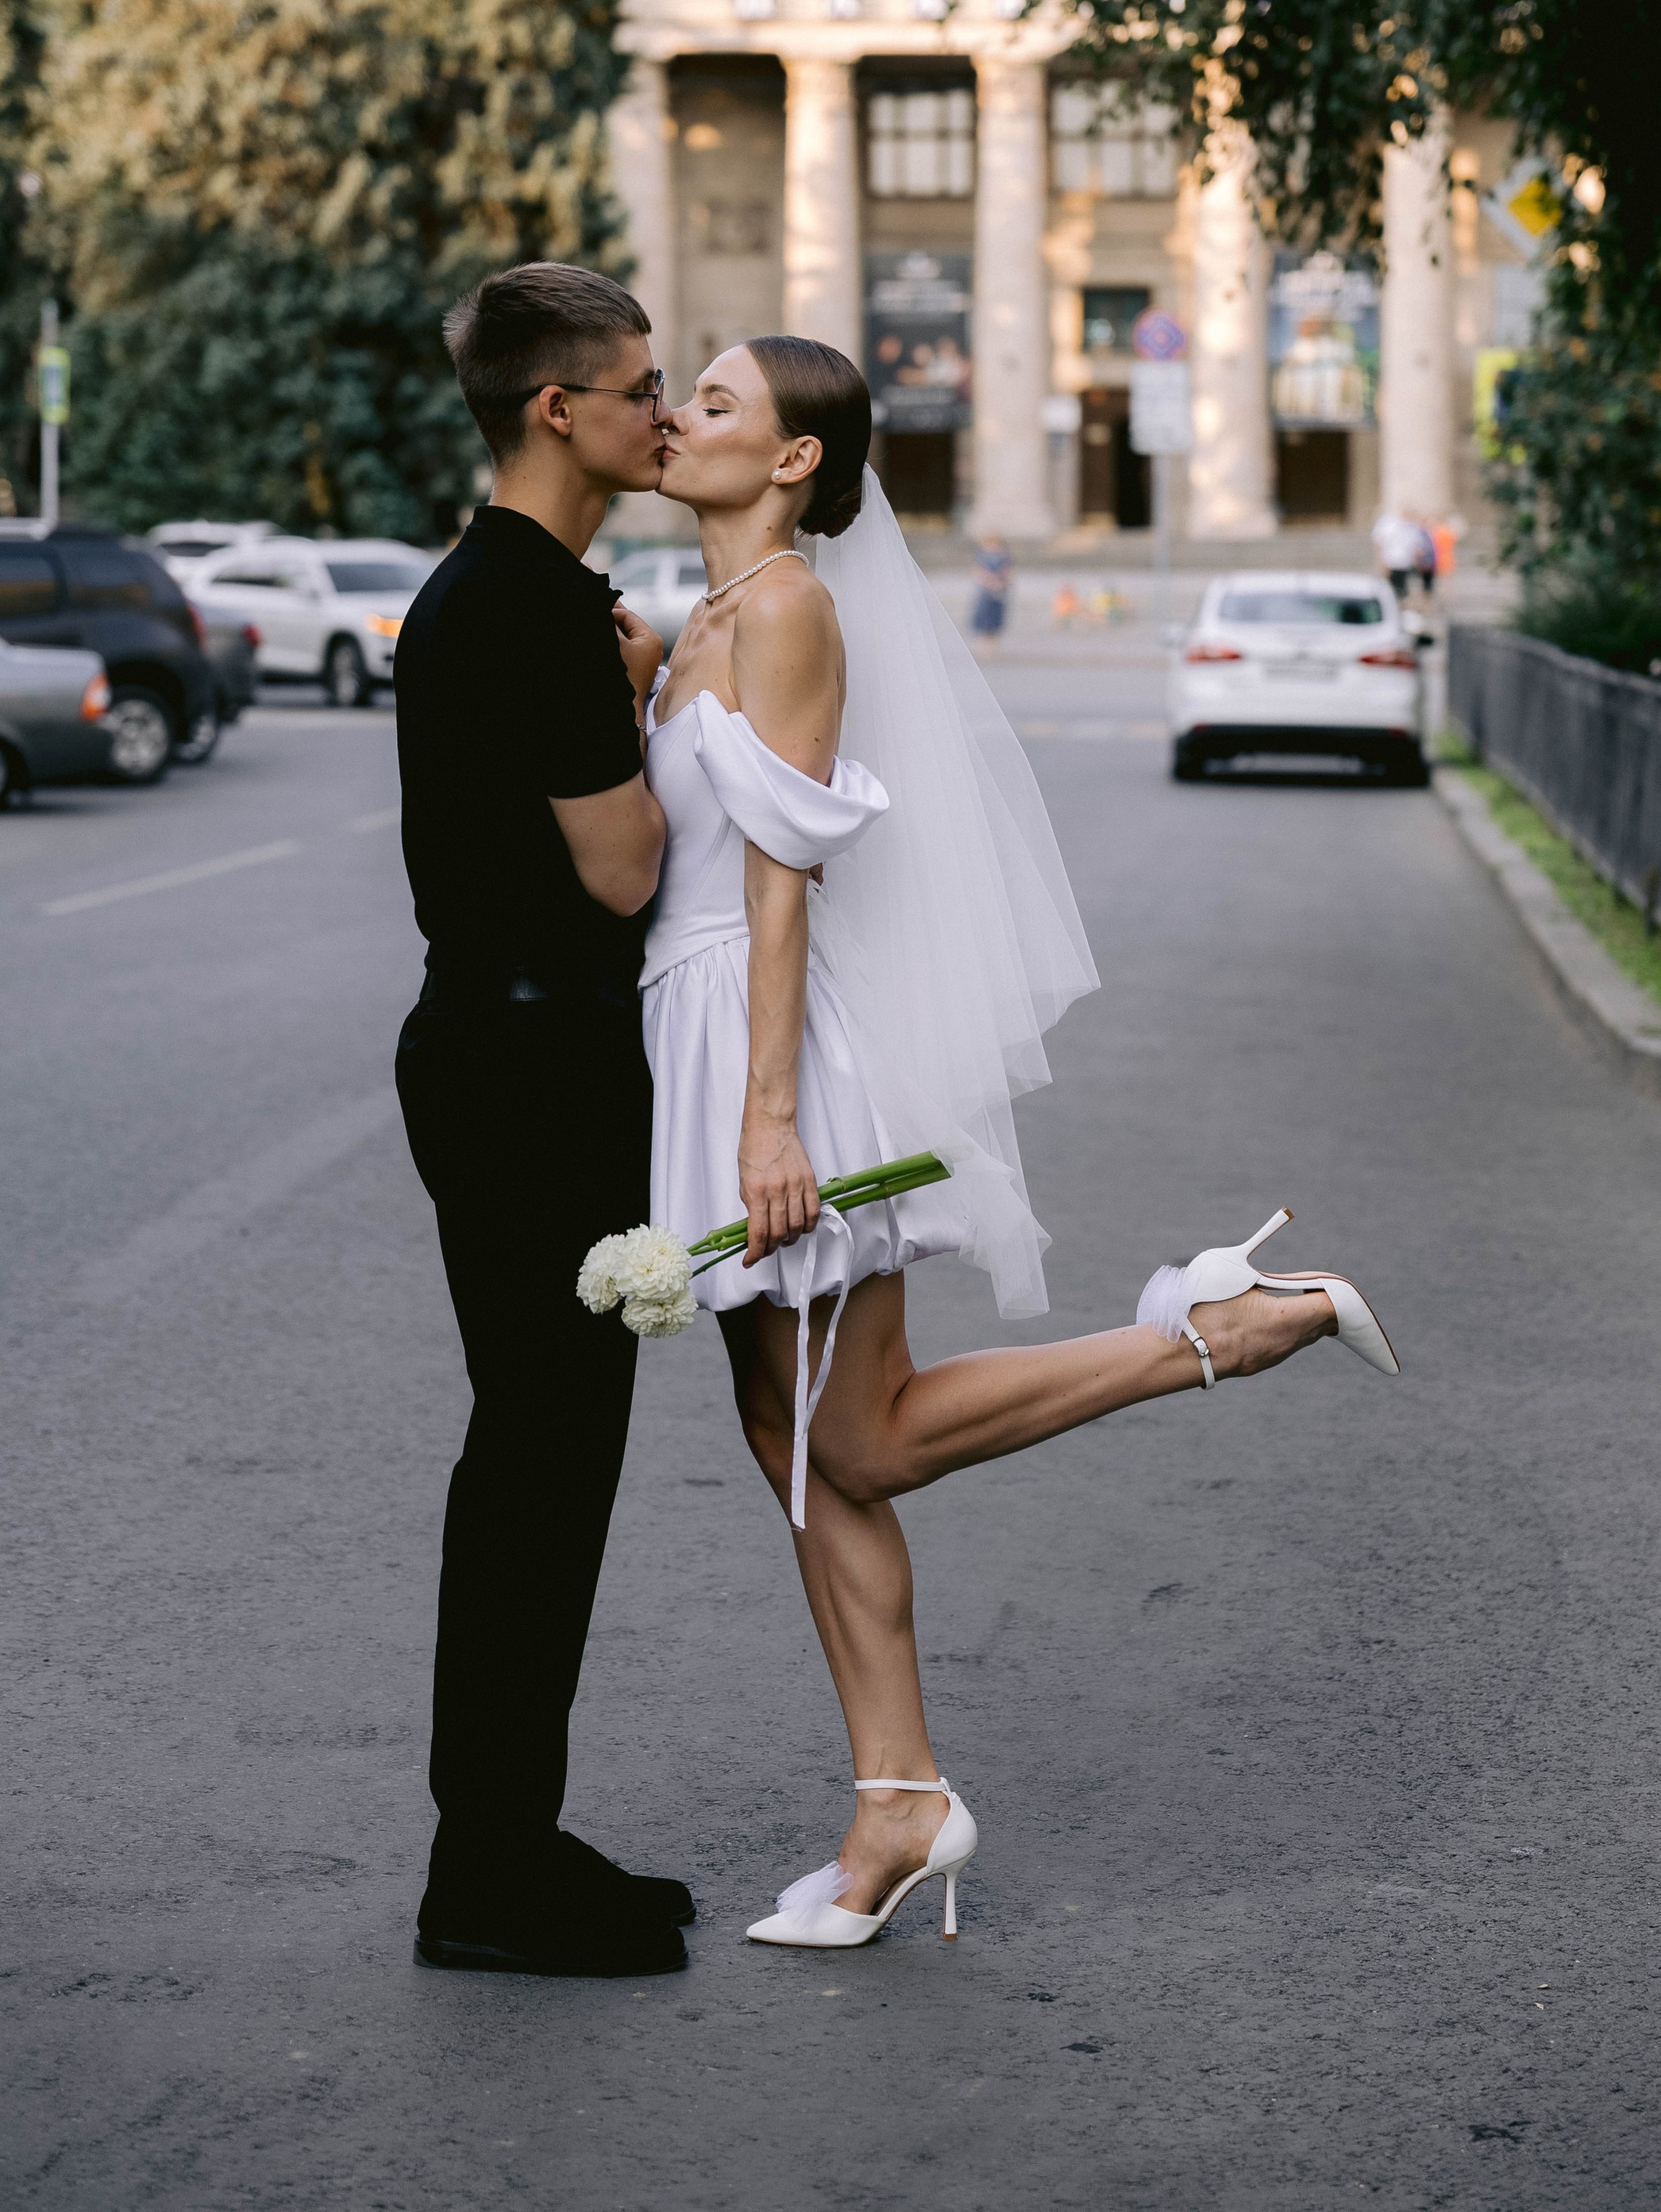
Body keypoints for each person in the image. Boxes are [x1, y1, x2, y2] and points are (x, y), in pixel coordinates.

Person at [643, 337, 1398, 1952]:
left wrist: (767, 1114)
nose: (671, 414)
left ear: (789, 460)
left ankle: (1204, 1333)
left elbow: (784, 877)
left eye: (709, 400)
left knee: (862, 1440)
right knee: (796, 1456)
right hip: (701, 1040)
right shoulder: (703, 617)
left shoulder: (783, 609)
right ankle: (893, 1806)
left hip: (775, 1067)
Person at [393, 262, 694, 1979]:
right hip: (529, 1074)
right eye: (641, 384)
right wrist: (653, 700)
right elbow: (624, 863)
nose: (663, 411)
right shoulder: (534, 609)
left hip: (500, 1056)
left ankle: (506, 1834)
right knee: (536, 1463)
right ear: (553, 409)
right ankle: (487, 1873)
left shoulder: (501, 588)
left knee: (538, 1457)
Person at [969, 535, 1012, 645]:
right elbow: (978, 572)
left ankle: (993, 643)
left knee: (996, 617)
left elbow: (1008, 573)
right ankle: (983, 643)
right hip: (985, 591)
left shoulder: (1005, 557)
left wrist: (1000, 583)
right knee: (984, 616)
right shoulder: (982, 556)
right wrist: (990, 582)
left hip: (999, 590)